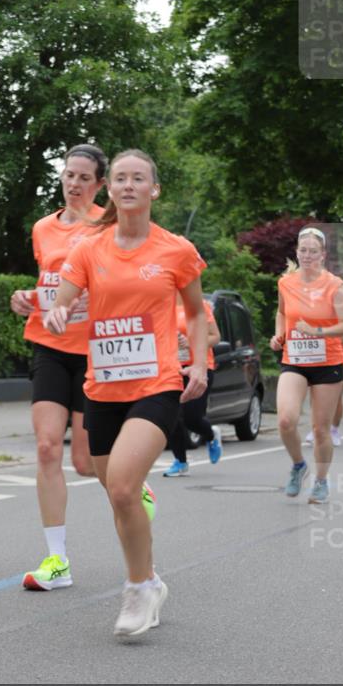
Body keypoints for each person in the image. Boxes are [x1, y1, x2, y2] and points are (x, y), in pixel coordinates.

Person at [45, 149, 208, 639]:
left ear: (154, 189)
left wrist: (196, 362)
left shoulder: (176, 250)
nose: (130, 185)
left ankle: (138, 588)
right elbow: (64, 298)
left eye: (139, 178)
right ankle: (152, 579)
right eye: (121, 179)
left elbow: (196, 312)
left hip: (156, 383)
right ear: (110, 190)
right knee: (117, 493)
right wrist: (57, 312)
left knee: (120, 488)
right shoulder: (89, 247)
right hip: (103, 386)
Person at [10, 145, 157, 592]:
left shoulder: (110, 228)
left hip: (98, 353)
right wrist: (26, 299)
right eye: (67, 175)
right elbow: (48, 285)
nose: (73, 184)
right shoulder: (42, 228)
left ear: (99, 186)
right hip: (50, 345)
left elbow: (120, 285)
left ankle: (134, 489)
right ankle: (57, 560)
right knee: (47, 448)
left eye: (83, 178)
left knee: (87, 462)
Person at [270, 227, 343, 504]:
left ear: (323, 255)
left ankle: (321, 481)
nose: (307, 256)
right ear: (297, 252)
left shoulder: (335, 286)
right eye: (303, 250)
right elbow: (283, 313)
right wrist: (279, 334)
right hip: (294, 358)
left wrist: (316, 331)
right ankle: (298, 465)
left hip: (328, 361)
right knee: (285, 419)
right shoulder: (286, 283)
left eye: (313, 251)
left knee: (320, 429)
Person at [163, 294, 222, 476]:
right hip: (172, 368)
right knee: (172, 416)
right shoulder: (162, 305)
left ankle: (211, 435)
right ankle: (180, 462)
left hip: (199, 367)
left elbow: (215, 337)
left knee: (192, 418)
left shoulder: (199, 305)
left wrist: (191, 343)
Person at [304, 334, 343, 448]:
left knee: (336, 398)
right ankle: (316, 428)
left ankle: (334, 430)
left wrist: (328, 334)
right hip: (317, 359)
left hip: (339, 361)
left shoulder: (341, 318)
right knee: (315, 396)